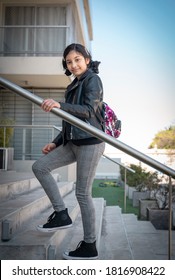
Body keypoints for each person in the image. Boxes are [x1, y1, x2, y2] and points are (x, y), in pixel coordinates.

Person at [32, 43, 105, 260]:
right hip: (73, 143)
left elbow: (89, 110)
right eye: (69, 62)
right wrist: (56, 142)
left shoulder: (93, 80)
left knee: (82, 193)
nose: (73, 65)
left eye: (77, 60)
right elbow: (69, 121)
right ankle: (62, 214)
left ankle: (90, 245)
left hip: (91, 143)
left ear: (87, 60)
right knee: (40, 167)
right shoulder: (73, 85)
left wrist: (59, 105)